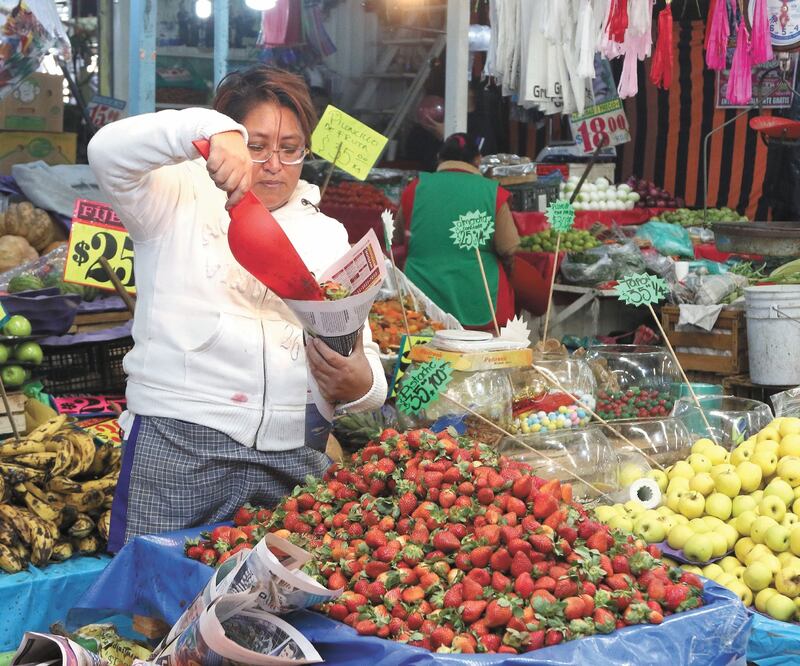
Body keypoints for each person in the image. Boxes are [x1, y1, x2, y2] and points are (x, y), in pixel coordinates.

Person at [87, 66, 387, 551]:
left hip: (294, 455)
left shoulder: (328, 233)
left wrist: (364, 385)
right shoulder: (172, 195)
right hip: (181, 443)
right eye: (257, 144)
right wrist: (203, 129)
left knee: (273, 607)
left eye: (290, 149)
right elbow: (105, 150)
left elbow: (362, 352)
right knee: (157, 607)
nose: (273, 163)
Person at [396, 132, 521, 331]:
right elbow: (509, 247)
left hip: (421, 300)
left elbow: (397, 236)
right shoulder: (492, 191)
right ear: (478, 160)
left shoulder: (416, 187)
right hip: (478, 299)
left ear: (439, 158)